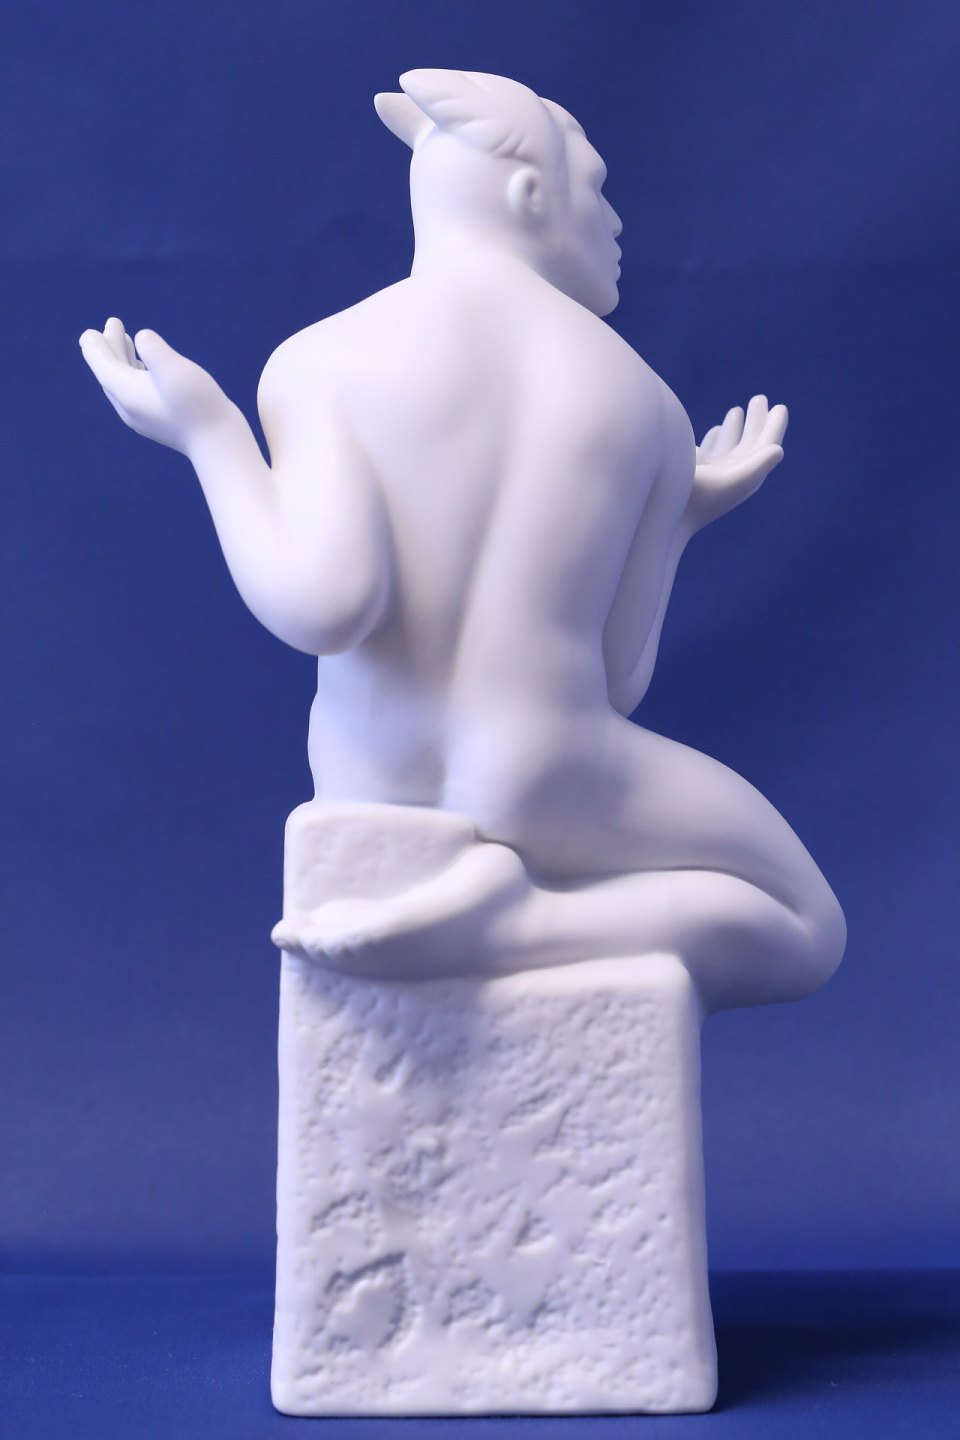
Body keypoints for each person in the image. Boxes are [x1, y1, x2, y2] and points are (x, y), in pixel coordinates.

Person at [80, 69, 844, 1009]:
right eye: (596, 190)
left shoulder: (323, 358)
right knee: (806, 924)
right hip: (551, 770)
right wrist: (683, 516)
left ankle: (492, 923)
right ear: (529, 194)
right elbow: (615, 680)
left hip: (369, 772)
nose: (615, 224)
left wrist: (210, 434)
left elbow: (324, 605)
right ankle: (525, 925)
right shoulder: (646, 404)